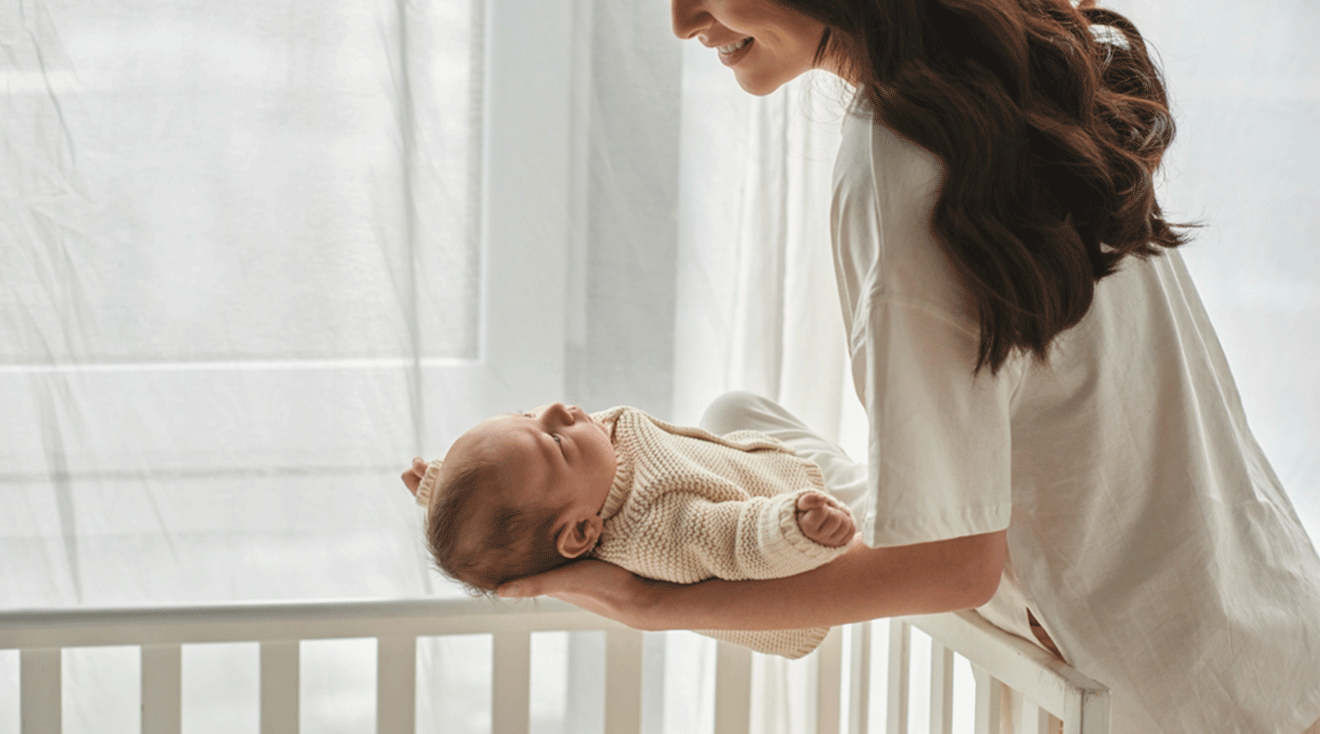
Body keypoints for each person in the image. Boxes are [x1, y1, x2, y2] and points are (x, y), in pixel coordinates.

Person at [495, 1, 1320, 732]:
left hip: (1165, 689)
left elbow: (954, 564)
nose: (681, 21)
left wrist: (655, 605)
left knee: (750, 443)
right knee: (736, 418)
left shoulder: (898, 162)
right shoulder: (1021, 59)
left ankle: (625, 515)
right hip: (1274, 616)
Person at [402, 402, 860, 658]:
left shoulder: (591, 474)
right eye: (556, 441)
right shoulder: (656, 530)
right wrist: (797, 529)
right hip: (807, 519)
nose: (560, 410)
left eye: (527, 412)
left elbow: (504, 480)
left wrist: (442, 486)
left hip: (765, 463)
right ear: (582, 531)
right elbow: (736, 542)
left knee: (732, 406)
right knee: (868, 498)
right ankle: (850, 505)